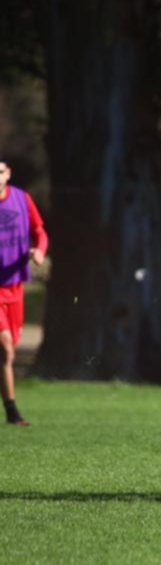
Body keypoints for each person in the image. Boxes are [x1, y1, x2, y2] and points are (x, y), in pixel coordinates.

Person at [0, 160, 48, 426]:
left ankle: (10, 413)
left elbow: (39, 231)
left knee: (9, 352)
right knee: (5, 348)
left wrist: (39, 251)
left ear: (8, 174)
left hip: (15, 287)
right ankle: (12, 411)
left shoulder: (21, 199)